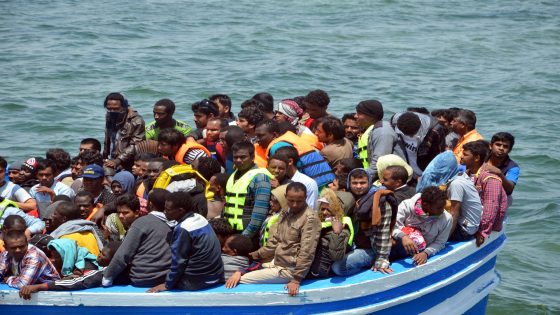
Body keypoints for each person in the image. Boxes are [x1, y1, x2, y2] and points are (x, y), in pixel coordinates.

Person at [226, 182, 321, 296]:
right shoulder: (286, 212)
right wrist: (255, 255)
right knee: (234, 271)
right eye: (291, 200)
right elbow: (275, 241)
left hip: (289, 270)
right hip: (276, 262)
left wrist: (296, 279)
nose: (295, 205)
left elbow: (307, 251)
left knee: (241, 280)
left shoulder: (310, 219)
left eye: (299, 201)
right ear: (285, 197)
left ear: (306, 198)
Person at [148, 191, 224, 292]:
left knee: (152, 277)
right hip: (216, 277)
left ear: (180, 211)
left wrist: (167, 285)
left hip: (196, 282)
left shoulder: (184, 228)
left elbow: (179, 261)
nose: (164, 212)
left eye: (168, 209)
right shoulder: (200, 218)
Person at [331, 168, 396, 276]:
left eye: (362, 183)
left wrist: (382, 259)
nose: (358, 186)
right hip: (355, 244)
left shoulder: (380, 200)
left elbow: (384, 233)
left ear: (369, 182)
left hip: (372, 248)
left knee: (339, 268)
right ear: (349, 183)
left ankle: (371, 262)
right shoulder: (350, 198)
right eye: (354, 183)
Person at [102, 194, 172, 287]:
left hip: (142, 278)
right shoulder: (167, 222)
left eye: (125, 213)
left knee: (97, 275)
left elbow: (122, 256)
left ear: (136, 212)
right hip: (163, 277)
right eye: (119, 213)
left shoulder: (139, 224)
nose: (121, 216)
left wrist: (107, 277)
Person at [18, 241, 122, 299]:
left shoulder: (90, 267)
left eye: (103, 255)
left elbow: (77, 282)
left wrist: (39, 286)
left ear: (67, 255)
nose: (99, 255)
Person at [416, 151, 483, 241]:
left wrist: (444, 240)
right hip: (469, 224)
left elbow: (454, 213)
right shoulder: (461, 176)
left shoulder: (456, 184)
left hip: (464, 229)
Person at [254, 119, 335, 189]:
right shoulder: (287, 140)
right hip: (328, 179)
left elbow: (288, 171)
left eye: (260, 136)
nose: (257, 140)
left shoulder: (277, 147)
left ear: (274, 135)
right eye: (256, 136)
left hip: (317, 184)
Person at [461, 140, 508, 246]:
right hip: (471, 218)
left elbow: (491, 207)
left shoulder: (490, 178)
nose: (461, 157)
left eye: (465, 155)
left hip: (481, 224)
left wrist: (483, 232)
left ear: (477, 158)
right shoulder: (467, 173)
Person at [390, 186, 453, 265]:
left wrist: (426, 253)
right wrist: (403, 236)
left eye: (443, 207)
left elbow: (440, 242)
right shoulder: (406, 205)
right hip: (399, 245)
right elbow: (392, 226)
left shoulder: (447, 219)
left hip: (420, 250)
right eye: (439, 208)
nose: (442, 210)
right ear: (426, 205)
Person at [224, 141, 272, 239]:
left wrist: (246, 236)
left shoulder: (260, 177)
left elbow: (260, 212)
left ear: (253, 157)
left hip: (247, 234)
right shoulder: (233, 175)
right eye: (235, 157)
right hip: (230, 231)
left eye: (243, 157)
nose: (238, 160)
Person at [307, 189, 353, 279]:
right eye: (323, 209)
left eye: (329, 209)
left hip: (318, 273)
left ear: (336, 209)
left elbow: (337, 257)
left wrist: (337, 233)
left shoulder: (343, 228)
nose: (324, 212)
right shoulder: (319, 224)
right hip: (308, 269)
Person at [102, 92, 146, 171]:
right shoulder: (109, 116)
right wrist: (104, 157)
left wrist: (118, 160)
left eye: (116, 109)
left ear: (124, 107)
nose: (112, 111)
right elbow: (108, 139)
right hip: (111, 159)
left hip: (127, 163)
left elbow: (135, 145)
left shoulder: (136, 121)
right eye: (109, 108)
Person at [355, 100, 398, 179]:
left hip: (387, 177)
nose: (355, 116)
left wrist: (364, 178)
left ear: (371, 116)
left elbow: (379, 161)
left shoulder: (382, 132)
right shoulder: (372, 129)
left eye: (359, 113)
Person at [274, 147, 319, 211]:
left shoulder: (308, 183)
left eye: (280, 161)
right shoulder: (278, 180)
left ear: (290, 161)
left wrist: (279, 191)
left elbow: (311, 209)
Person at [483, 132, 519, 200]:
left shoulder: (513, 167)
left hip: (499, 197)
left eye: (505, 146)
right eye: (498, 145)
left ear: (510, 150)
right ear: (491, 146)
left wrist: (500, 174)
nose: (501, 148)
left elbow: (509, 190)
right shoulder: (480, 157)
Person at [392, 112, 423, 179]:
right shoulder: (395, 124)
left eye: (412, 134)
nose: (410, 136)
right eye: (407, 134)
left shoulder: (426, 131)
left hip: (419, 172)